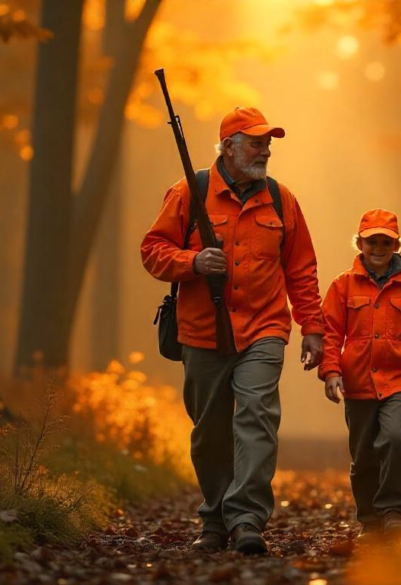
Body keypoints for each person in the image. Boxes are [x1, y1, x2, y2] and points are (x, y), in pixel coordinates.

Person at [140, 107, 325, 555]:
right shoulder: (190, 192)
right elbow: (152, 250)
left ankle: (246, 520)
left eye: (268, 144)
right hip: (202, 332)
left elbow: (301, 271)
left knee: (257, 417)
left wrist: (313, 329)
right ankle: (216, 518)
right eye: (256, 143)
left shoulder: (283, 200)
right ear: (228, 147)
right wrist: (193, 262)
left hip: (264, 328)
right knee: (210, 431)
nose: (265, 151)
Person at [318, 209, 401, 539]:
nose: (378, 248)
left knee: (396, 439)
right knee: (363, 455)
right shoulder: (342, 286)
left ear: (396, 246)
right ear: (360, 243)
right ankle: (370, 520)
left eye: (385, 242)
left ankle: (393, 511)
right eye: (372, 241)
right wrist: (330, 371)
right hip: (357, 382)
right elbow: (329, 332)